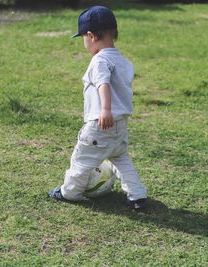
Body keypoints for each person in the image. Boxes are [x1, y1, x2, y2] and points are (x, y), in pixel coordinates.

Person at [48, 6, 147, 211]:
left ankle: (70, 192)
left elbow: (103, 83)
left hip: (100, 124)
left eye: (83, 37)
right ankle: (137, 196)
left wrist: (105, 110)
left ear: (91, 36)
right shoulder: (123, 60)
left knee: (82, 159)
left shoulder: (99, 60)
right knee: (121, 159)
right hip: (120, 125)